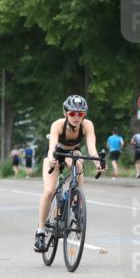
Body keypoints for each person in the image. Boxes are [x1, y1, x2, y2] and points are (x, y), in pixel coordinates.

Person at [34, 95, 103, 253]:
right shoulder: (58, 125)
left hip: (73, 154)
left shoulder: (87, 125)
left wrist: (97, 162)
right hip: (57, 155)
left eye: (80, 114)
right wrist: (52, 159)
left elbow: (92, 147)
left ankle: (76, 201)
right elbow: (52, 147)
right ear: (66, 113)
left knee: (78, 163)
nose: (77, 117)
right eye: (72, 113)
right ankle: (40, 232)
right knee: (49, 190)